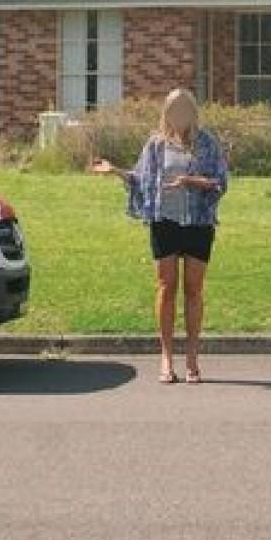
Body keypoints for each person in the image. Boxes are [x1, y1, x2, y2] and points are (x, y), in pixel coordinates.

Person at [90, 89, 228, 384]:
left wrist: (189, 181)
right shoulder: (155, 144)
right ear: (166, 112)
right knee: (166, 288)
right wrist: (114, 171)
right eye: (172, 109)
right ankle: (166, 358)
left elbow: (220, 182)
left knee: (194, 290)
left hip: (198, 225)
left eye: (183, 109)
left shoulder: (207, 144)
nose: (178, 115)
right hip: (164, 223)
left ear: (192, 112)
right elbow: (140, 179)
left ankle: (192, 358)